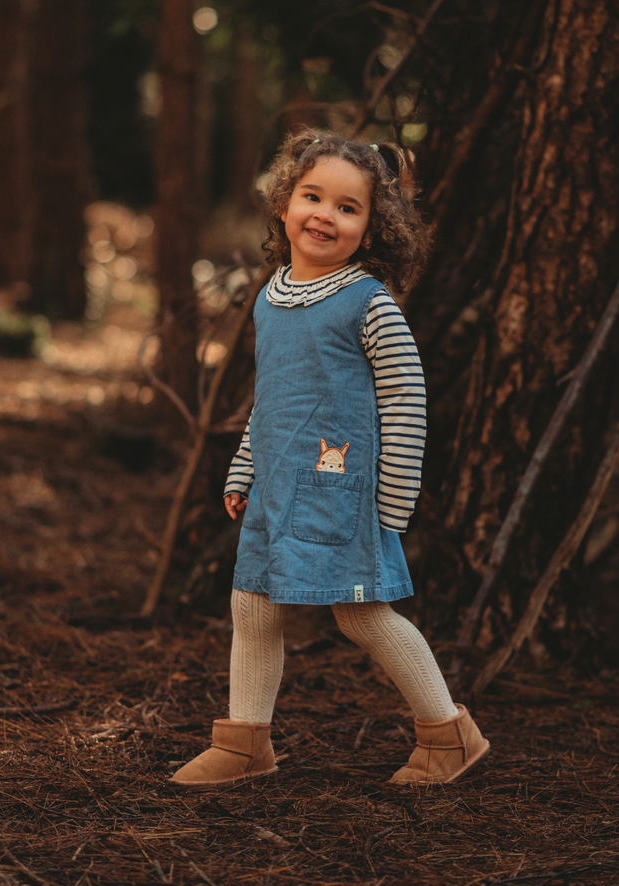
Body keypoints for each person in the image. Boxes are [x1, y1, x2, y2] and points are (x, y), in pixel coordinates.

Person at [171, 129, 489, 790]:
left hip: (341, 489)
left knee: (362, 614)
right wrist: (242, 469)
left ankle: (447, 735)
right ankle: (245, 743)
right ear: (284, 205)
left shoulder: (367, 303)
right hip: (277, 487)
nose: (325, 214)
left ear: (372, 230)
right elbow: (271, 399)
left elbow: (407, 397)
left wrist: (396, 495)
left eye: (348, 207)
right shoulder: (271, 297)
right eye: (313, 196)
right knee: (252, 607)